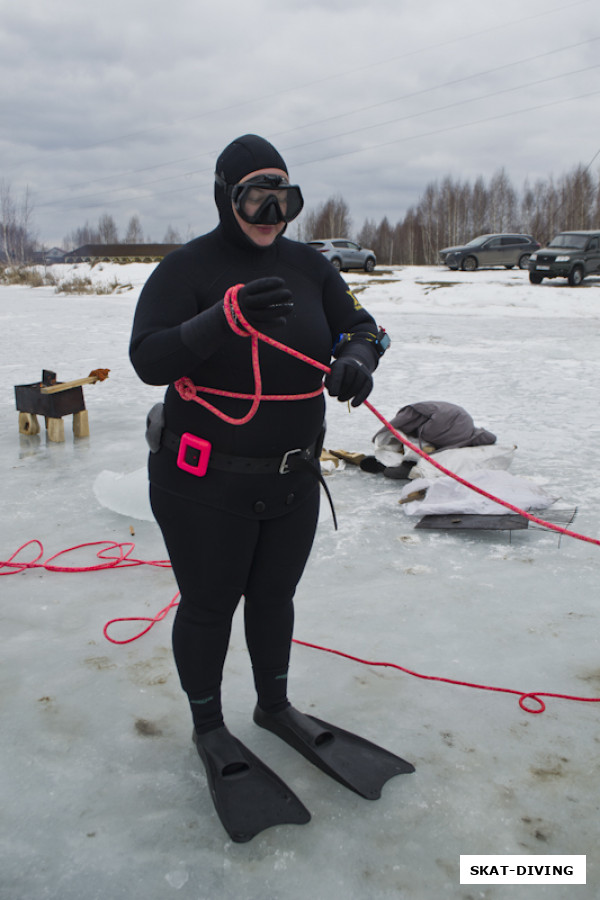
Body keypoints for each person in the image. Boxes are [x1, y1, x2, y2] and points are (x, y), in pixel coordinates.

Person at [129, 134, 413, 842]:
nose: (271, 211)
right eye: (256, 195)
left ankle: (274, 707)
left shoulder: (310, 265)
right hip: (202, 484)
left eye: (284, 197)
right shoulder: (186, 269)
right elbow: (147, 357)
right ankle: (209, 727)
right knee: (209, 605)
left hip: (291, 477)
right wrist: (221, 318)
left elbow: (367, 327)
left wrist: (355, 357)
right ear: (226, 194)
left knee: (274, 598)